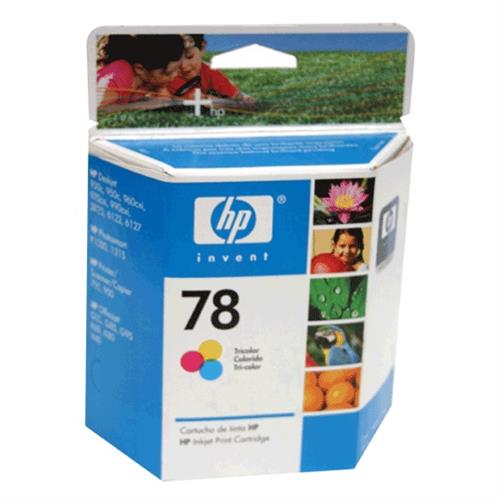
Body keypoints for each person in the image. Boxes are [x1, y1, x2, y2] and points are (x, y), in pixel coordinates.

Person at [96, 34, 184, 108]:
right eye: (168, 73)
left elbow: (166, 101)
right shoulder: (118, 76)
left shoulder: (150, 80)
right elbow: (97, 111)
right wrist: (138, 107)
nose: (175, 75)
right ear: (140, 69)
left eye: (177, 69)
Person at [168, 34, 255, 103]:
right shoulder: (166, 76)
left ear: (202, 48)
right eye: (175, 59)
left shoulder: (209, 73)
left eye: (190, 57)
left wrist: (243, 98)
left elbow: (238, 96)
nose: (183, 66)